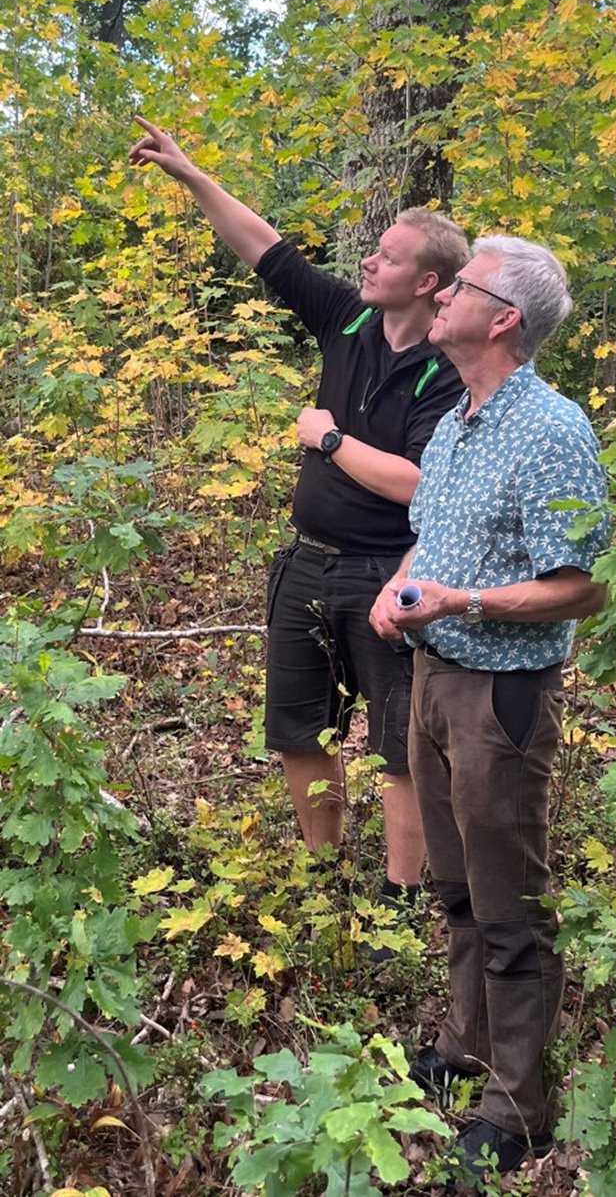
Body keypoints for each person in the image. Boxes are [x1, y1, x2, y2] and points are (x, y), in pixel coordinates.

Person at [128, 117, 470, 904]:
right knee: (296, 729)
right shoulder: (346, 317)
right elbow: (262, 245)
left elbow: (421, 484)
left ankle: (397, 894)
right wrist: (188, 172)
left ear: (425, 282)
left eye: (386, 256)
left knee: (398, 747)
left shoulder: (445, 371)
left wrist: (328, 439)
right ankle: (322, 873)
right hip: (306, 562)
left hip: (391, 577)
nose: (368, 259)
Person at [369, 236, 609, 1177]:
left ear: (502, 317)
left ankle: (517, 1104)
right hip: (431, 679)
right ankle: (464, 1045)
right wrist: (401, 590)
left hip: (500, 698)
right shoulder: (456, 419)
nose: (438, 295)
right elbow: (427, 535)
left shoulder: (552, 429)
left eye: (457, 286)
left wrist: (463, 602)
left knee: (510, 902)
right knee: (458, 886)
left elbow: (580, 588)